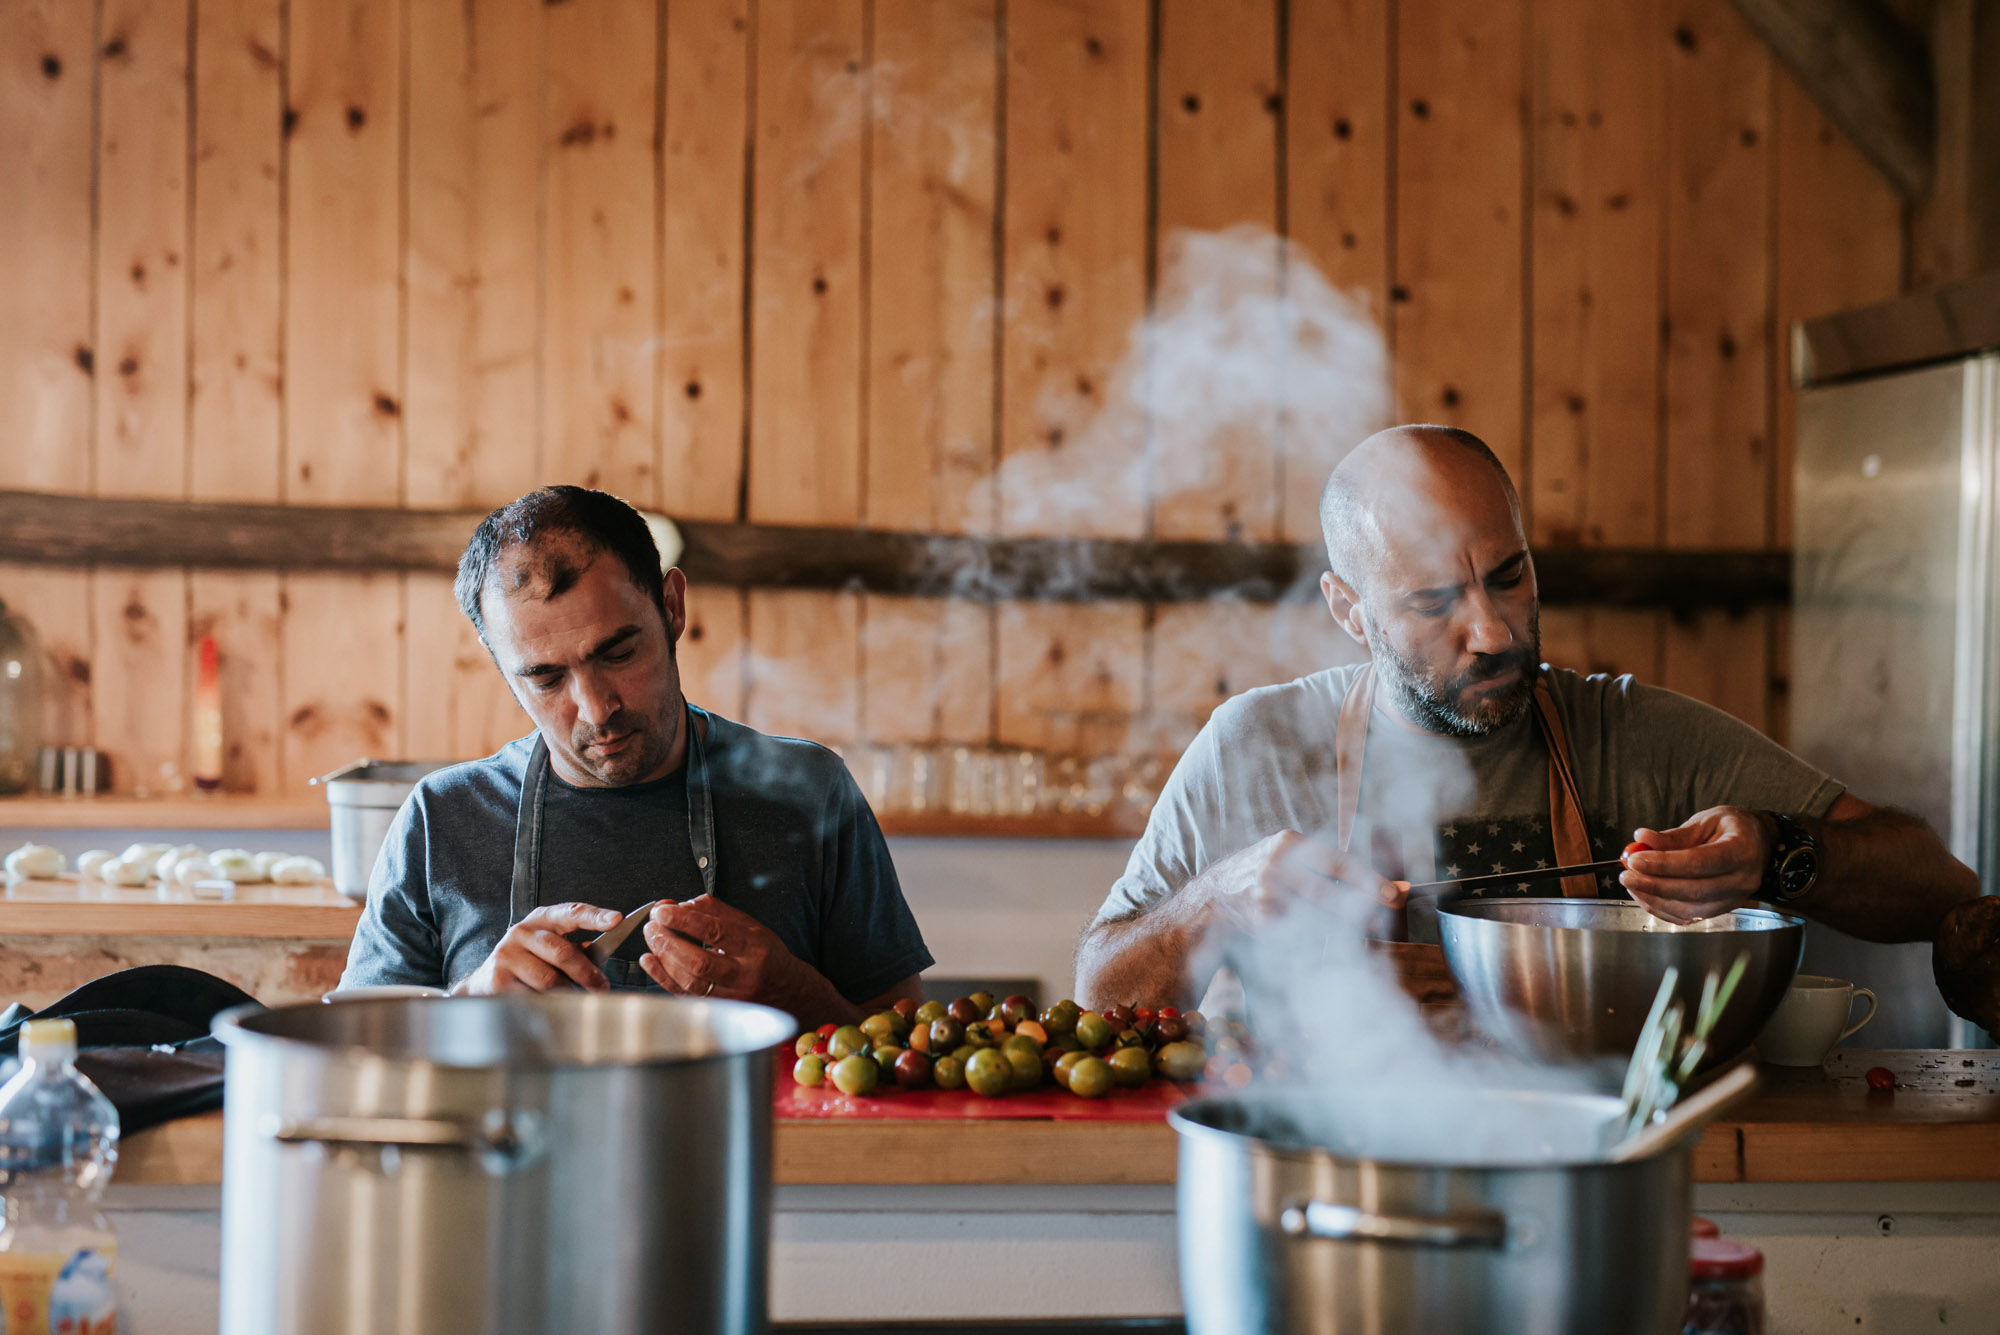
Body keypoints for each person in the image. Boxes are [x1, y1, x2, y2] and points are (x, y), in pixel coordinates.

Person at [1073, 424, 1979, 1010]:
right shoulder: (1255, 748)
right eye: (1433, 602)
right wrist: (1214, 902)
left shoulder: (1633, 738)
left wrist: (1780, 851)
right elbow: (1098, 992)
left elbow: (1938, 887)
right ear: (1350, 611)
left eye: (1509, 575)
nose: (1495, 631)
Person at [340, 486, 931, 1022]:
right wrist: (466, 1006)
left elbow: (902, 1037)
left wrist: (792, 991)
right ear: (500, 664)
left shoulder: (808, 790)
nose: (596, 708)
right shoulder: (442, 819)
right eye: (546, 680)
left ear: (671, 607)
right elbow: (353, 1046)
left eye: (618, 653)